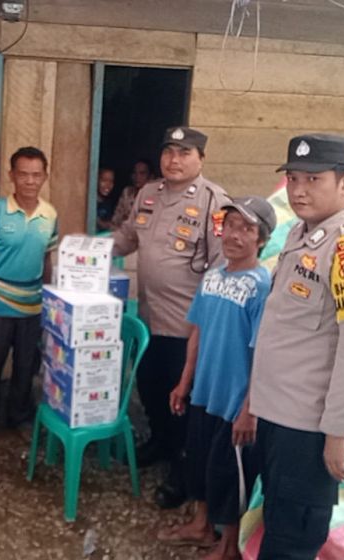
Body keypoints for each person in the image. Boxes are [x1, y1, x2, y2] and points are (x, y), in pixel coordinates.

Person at [249, 134, 344, 558]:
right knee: (277, 519)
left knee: (292, 540)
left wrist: (338, 432)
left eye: (313, 179)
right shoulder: (301, 233)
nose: (298, 190)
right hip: (276, 415)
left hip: (308, 429)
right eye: (293, 178)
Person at [112, 126, 230, 507]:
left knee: (182, 400)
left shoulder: (215, 203)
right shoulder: (148, 193)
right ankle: (161, 443)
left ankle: (182, 469)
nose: (174, 160)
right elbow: (127, 237)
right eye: (168, 152)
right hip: (149, 317)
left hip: (186, 327)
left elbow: (222, 266)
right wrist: (88, 248)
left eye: (184, 153)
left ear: (201, 159)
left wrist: (207, 323)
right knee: (149, 385)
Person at [161, 196, 276, 558]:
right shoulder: (212, 277)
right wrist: (185, 382)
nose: (235, 235)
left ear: (261, 240)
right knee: (200, 463)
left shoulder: (262, 287)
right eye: (231, 225)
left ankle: (229, 546)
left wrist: (249, 409)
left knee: (229, 474)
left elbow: (263, 354)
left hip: (235, 402)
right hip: (204, 394)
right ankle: (201, 526)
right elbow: (197, 331)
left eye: (247, 229)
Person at [0, 146, 59, 445]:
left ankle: (20, 418)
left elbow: (46, 260)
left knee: (26, 366)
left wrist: (49, 302)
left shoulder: (50, 215)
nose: (30, 181)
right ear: (11, 176)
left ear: (44, 177)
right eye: (23, 174)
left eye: (36, 175)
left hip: (32, 306)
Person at [110, 158, 153, 228]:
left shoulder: (154, 196)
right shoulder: (127, 192)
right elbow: (116, 219)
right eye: (134, 173)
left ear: (150, 176)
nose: (137, 177)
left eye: (142, 173)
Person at [96, 167, 117, 232]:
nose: (108, 185)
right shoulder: (90, 201)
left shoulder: (109, 203)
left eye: (111, 181)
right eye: (104, 180)